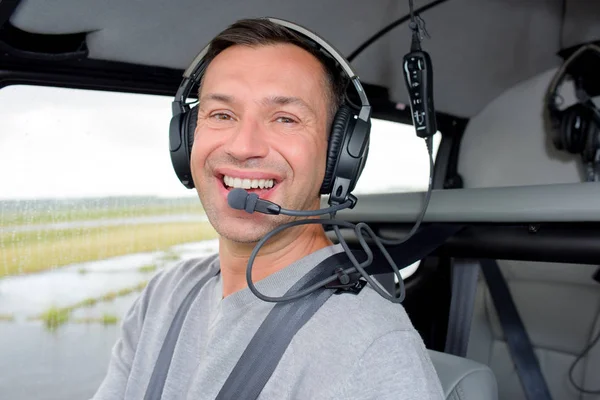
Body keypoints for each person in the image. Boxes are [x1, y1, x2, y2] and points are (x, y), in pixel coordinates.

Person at [92, 17, 445, 400]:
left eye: (285, 119)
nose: (244, 147)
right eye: (222, 114)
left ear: (340, 154)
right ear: (186, 138)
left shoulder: (373, 349)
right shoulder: (164, 296)